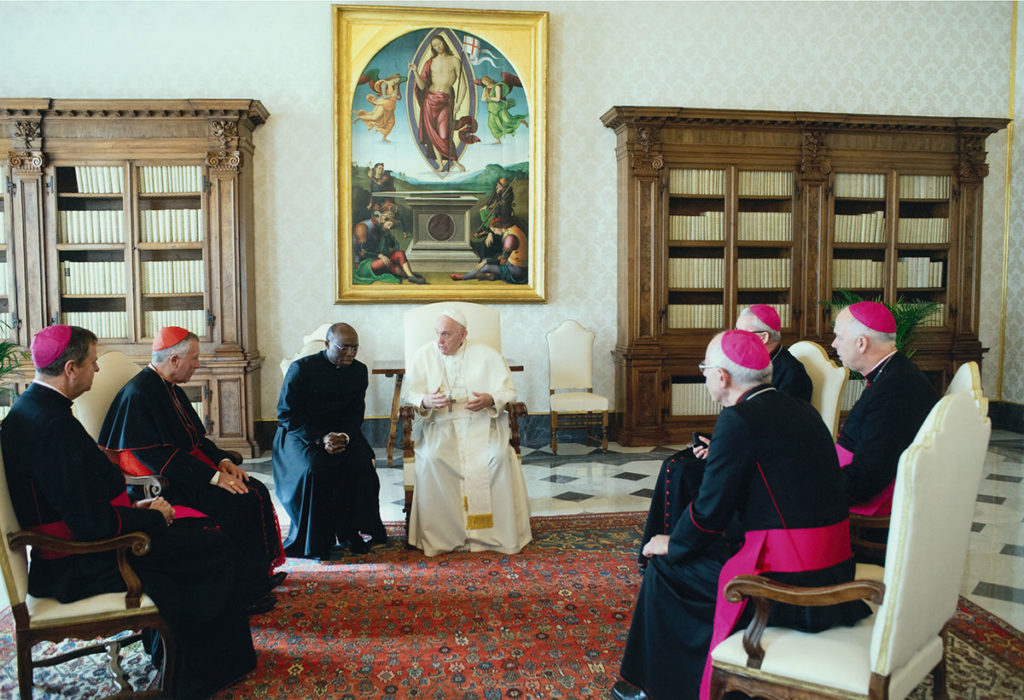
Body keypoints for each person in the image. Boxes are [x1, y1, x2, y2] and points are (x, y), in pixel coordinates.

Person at [1, 325, 257, 698]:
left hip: (83, 544)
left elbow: (78, 500)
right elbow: (92, 525)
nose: (97, 370)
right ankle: (197, 674)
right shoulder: (50, 426)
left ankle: (175, 653)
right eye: (92, 363)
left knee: (200, 538)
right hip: (77, 565)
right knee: (210, 545)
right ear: (71, 368)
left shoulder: (36, 409)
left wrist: (137, 508)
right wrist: (153, 516)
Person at [613, 330, 870, 700]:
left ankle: (656, 688)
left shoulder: (739, 419)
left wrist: (672, 543)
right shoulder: (801, 408)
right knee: (702, 550)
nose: (704, 377)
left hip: (793, 581)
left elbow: (709, 513)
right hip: (836, 563)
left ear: (722, 376)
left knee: (668, 569)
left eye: (705, 369)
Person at [99, 326, 286, 609]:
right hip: (167, 484)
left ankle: (255, 578)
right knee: (237, 501)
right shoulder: (139, 393)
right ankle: (240, 594)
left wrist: (222, 461)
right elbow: (154, 457)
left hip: (185, 473)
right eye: (195, 358)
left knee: (253, 488)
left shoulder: (170, 388)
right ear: (174, 360)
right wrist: (213, 477)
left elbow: (196, 439)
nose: (198, 365)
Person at [638, 304, 813, 568]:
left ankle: (677, 548)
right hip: (747, 453)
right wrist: (717, 443)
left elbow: (773, 433)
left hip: (763, 472)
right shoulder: (763, 371)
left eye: (741, 332)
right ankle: (666, 542)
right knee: (674, 464)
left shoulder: (791, 373)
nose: (736, 338)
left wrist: (723, 449)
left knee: (683, 470)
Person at [402, 308, 532, 556]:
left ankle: (491, 537)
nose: (439, 341)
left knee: (497, 457)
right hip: (440, 425)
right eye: (437, 334)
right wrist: (427, 401)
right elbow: (412, 394)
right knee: (432, 459)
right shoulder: (424, 355)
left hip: (481, 422)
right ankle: (444, 538)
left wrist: (490, 398)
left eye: (446, 335)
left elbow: (508, 392)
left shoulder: (487, 355)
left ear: (463, 335)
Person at [273, 322, 388, 559]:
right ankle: (315, 541)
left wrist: (344, 436)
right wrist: (320, 438)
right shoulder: (301, 369)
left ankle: (351, 531)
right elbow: (286, 414)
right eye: (344, 347)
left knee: (362, 462)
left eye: (355, 348)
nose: (351, 353)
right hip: (301, 434)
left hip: (342, 433)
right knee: (316, 468)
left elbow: (356, 413)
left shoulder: (359, 371)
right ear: (327, 344)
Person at [831, 301, 938, 515]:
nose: (834, 344)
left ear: (862, 343)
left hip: (877, 497)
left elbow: (869, 476)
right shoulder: (894, 373)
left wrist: (822, 488)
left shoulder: (896, 388)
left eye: (839, 337)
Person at [409, 35, 479, 172]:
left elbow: (463, 85)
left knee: (444, 134)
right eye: (434, 46)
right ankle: (441, 165)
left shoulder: (455, 60)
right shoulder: (430, 62)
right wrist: (415, 72)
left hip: (445, 101)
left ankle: (455, 162)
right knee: (433, 134)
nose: (437, 47)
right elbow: (422, 86)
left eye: (439, 44)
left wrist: (458, 104)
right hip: (430, 100)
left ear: (444, 43)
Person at [450, 216, 528, 284]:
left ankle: (463, 277)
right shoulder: (512, 229)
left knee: (486, 266)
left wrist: (486, 262)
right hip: (512, 264)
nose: (495, 233)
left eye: (494, 230)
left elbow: (503, 261)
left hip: (516, 271)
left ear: (499, 226)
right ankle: (490, 275)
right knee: (486, 260)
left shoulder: (510, 238)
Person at [477, 74, 528, 144]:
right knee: (491, 124)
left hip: (499, 108)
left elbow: (498, 99)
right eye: (484, 82)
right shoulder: (485, 89)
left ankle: (521, 121)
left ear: (488, 80)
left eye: (485, 81)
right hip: (491, 109)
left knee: (507, 120)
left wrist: (489, 98)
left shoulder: (497, 87)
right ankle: (498, 140)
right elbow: (482, 99)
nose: (485, 83)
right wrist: (487, 97)